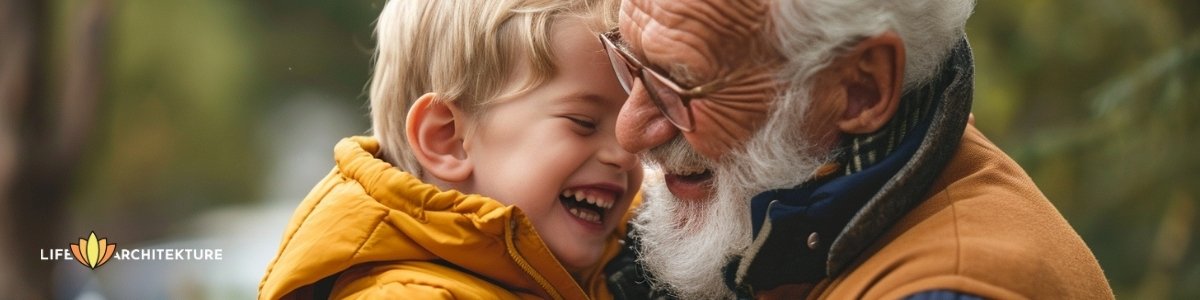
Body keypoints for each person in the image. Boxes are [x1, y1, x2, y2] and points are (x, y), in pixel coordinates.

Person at [601, 0, 1115, 299]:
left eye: (681, 85)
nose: (629, 131)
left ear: (861, 89)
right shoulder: (775, 206)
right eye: (630, 63)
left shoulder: (946, 291)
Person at [258, 0, 643, 298]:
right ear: (448, 140)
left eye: (633, 128)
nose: (626, 153)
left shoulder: (617, 261)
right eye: (584, 123)